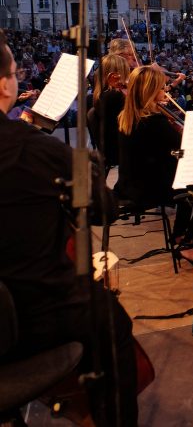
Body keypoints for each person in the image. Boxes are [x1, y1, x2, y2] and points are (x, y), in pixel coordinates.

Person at [0, 30, 138, 426]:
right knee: (114, 325)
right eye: (14, 71)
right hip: (31, 312)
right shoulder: (44, 150)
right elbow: (105, 210)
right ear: (6, 85)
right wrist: (87, 167)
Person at [116, 65, 193, 253]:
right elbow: (180, 149)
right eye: (161, 88)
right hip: (147, 187)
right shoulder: (154, 122)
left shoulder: (128, 116)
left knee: (186, 184)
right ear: (149, 91)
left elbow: (163, 151)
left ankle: (181, 236)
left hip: (129, 182)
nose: (165, 90)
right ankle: (186, 241)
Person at [88, 53, 130, 169]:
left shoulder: (101, 94)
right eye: (126, 71)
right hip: (119, 148)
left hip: (110, 146)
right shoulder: (115, 96)